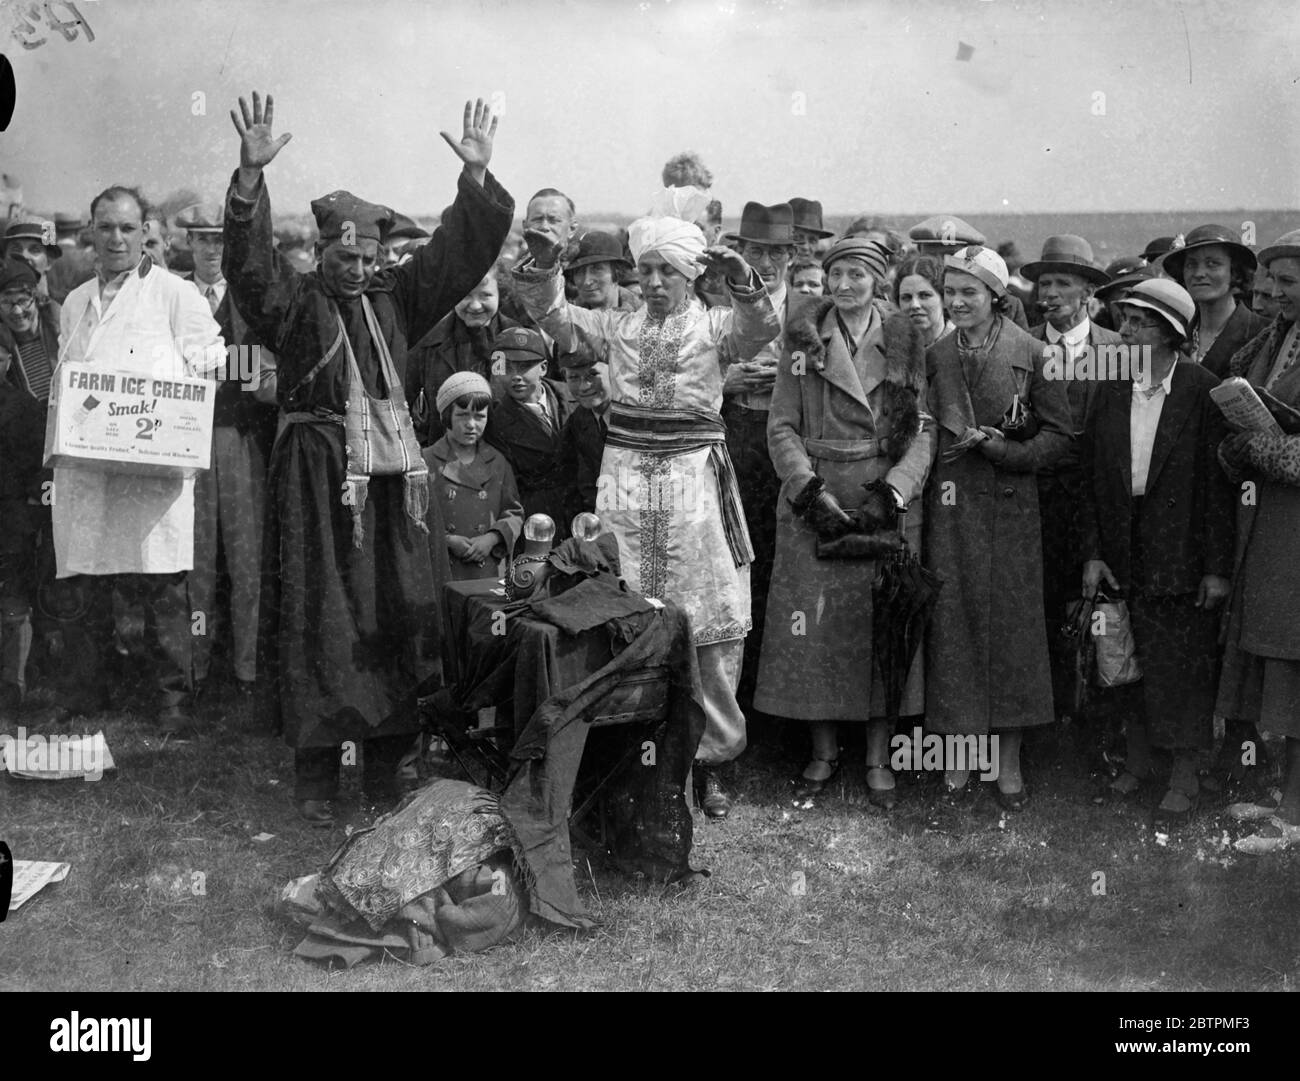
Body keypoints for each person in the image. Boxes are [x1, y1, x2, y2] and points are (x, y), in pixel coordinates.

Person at [222, 91, 513, 825]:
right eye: (345, 257)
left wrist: (474, 179)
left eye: (369, 257)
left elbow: (455, 255)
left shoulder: (398, 298)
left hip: (391, 487)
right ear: (320, 253)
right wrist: (251, 180)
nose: (357, 269)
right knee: (320, 615)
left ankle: (388, 765)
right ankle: (318, 774)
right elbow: (248, 268)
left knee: (393, 608)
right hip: (317, 481)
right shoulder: (294, 302)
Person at [511, 184, 780, 819]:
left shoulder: (715, 327)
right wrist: (547, 264)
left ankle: (711, 759)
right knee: (625, 602)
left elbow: (763, 326)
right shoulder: (616, 325)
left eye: (669, 271)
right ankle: (631, 745)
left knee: (708, 610)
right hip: (626, 478)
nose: (656, 282)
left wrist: (742, 280)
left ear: (690, 275)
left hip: (694, 480)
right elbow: (551, 317)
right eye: (648, 270)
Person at [756, 237, 934, 807]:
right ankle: (823, 750)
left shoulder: (907, 338)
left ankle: (879, 756)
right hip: (817, 502)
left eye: (858, 274)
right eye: (836, 274)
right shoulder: (802, 338)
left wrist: (896, 491)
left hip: (883, 501)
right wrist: (807, 491)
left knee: (880, 624)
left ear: (878, 280)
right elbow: (781, 424)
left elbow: (924, 427)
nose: (844, 285)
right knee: (814, 631)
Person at [54, 185, 225, 730]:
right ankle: (86, 696)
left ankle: (173, 703)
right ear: (91, 231)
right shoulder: (77, 303)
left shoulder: (176, 295)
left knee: (162, 587)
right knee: (86, 578)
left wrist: (161, 410)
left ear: (144, 231)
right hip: (88, 469)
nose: (116, 238)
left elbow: (212, 365)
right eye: (106, 227)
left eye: (128, 228)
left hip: (153, 472)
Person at [1079, 279, 1233, 824]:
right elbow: (1093, 478)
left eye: (1138, 323)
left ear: (1171, 334)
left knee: (1180, 664)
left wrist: (1216, 569)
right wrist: (1094, 552)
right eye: (1123, 321)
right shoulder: (1111, 388)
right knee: (1124, 656)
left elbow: (1217, 491)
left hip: (1180, 550)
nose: (1124, 332)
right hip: (1123, 543)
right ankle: (1138, 759)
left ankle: (1185, 773)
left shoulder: (1201, 390)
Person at [924, 245, 1072, 808]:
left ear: (996, 296)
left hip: (1011, 511)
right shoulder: (936, 354)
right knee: (955, 629)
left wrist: (1005, 449)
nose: (958, 301)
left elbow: (1059, 437)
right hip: (952, 509)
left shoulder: (1037, 353)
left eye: (970, 291)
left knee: (1013, 632)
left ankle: (1008, 762)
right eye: (951, 291)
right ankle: (961, 758)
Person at [1215, 229, 1300, 852]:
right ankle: (1288, 802)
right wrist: (1237, 445)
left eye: (1288, 282)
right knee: (1282, 660)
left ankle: (1294, 815)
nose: (1273, 292)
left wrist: (1265, 449)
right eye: (1269, 281)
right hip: (1270, 528)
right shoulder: (1272, 339)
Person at [175, 201, 278, 696]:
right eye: (203, 239)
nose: (212, 249)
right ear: (188, 243)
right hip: (183, 441)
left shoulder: (249, 295)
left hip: (239, 437)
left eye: (221, 239)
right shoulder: (172, 295)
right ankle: (195, 666)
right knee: (194, 558)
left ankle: (246, 668)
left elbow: (263, 371)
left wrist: (224, 369)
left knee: (245, 555)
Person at [1021, 235, 1122, 724]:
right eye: (1044, 283)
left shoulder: (1118, 350)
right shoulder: (1023, 345)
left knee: (1100, 613)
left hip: (1102, 503)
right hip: (1036, 499)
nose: (1051, 292)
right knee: (1039, 610)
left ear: (1088, 292)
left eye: (1064, 282)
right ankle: (1045, 719)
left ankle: (1098, 726)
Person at [721, 202, 804, 720]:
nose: (767, 263)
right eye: (756, 251)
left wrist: (789, 385)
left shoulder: (811, 311)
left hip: (790, 450)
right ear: (741, 253)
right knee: (735, 570)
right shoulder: (714, 306)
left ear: (793, 255)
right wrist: (725, 383)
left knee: (784, 571)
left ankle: (781, 710)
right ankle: (737, 704)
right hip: (731, 442)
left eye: (776, 252)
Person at [407, 261, 518, 445]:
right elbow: (401, 401)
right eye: (465, 296)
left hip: (504, 458)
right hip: (442, 457)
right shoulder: (428, 340)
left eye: (485, 295)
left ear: (501, 294)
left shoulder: (516, 336)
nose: (475, 306)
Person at [425, 371, 522, 582]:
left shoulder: (497, 462)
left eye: (480, 416)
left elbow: (513, 513)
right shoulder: (426, 461)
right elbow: (415, 519)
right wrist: (447, 540)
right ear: (446, 416)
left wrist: (491, 538)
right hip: (442, 565)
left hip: (487, 567)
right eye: (462, 415)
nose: (471, 424)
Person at [483, 325, 575, 536]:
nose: (515, 376)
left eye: (524, 367)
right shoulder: (495, 423)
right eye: (507, 368)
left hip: (582, 511)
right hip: (537, 518)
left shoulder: (573, 397)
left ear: (543, 368)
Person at [1161, 224, 1268, 378]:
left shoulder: (1264, 333)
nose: (1199, 273)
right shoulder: (1173, 335)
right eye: (1191, 264)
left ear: (1235, 272)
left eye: (1212, 264)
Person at [908, 214, 1032, 330]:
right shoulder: (908, 301)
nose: (941, 267)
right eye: (932, 259)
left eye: (952, 258)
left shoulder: (1004, 304)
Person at [557, 340, 611, 516]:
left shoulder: (642, 416)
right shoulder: (578, 421)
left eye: (593, 374)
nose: (584, 386)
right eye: (573, 377)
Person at [0, 256, 58, 400]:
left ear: (37, 299)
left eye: (23, 300)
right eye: (6, 303)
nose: (17, 311)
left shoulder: (63, 331)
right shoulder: (2, 352)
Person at [566, 231, 640, 312]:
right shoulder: (566, 317)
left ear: (617, 272)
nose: (586, 281)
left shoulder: (644, 315)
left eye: (597, 269)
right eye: (578, 271)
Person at [892, 253, 950, 346]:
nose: (914, 305)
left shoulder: (965, 348)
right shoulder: (889, 347)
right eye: (906, 298)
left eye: (924, 295)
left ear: (944, 299)